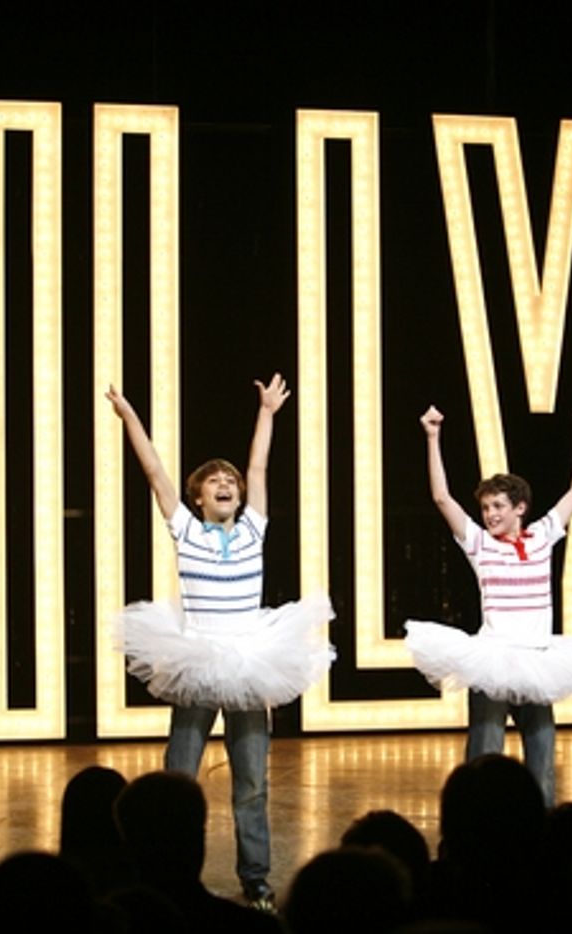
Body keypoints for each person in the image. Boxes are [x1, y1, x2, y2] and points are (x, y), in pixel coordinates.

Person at [106, 374, 334, 910]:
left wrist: (267, 413)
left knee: (252, 782)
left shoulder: (254, 528)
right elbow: (153, 469)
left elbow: (258, 466)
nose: (226, 484)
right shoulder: (186, 529)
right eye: (214, 482)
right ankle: (162, 875)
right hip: (199, 658)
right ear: (199, 497)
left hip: (251, 660)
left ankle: (255, 880)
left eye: (229, 480)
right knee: (178, 777)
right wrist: (129, 416)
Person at [404, 400, 572, 806]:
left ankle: (542, 836)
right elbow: (442, 497)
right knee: (484, 754)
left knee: (542, 756)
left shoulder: (542, 536)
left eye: (498, 506)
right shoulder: (480, 544)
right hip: (494, 658)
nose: (489, 514)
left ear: (520, 508)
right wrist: (433, 438)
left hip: (536, 661)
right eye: (485, 508)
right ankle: (475, 827)